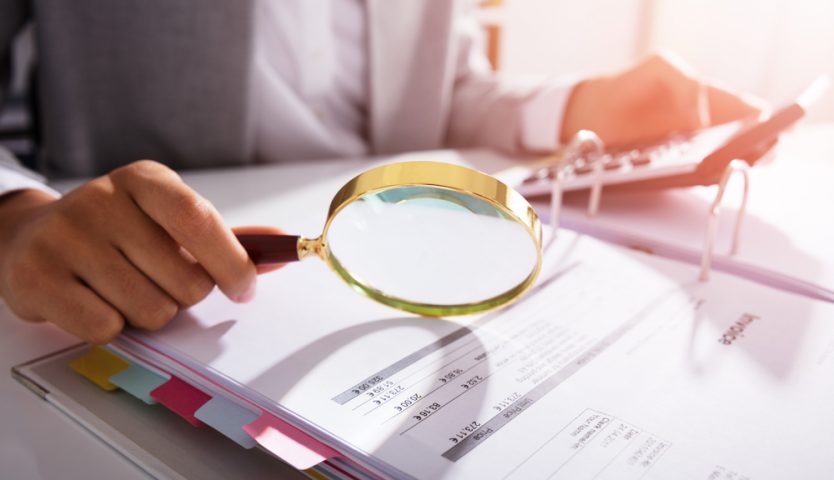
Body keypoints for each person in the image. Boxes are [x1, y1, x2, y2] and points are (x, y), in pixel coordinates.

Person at [0, 1, 763, 344]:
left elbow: (451, 86)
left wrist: (580, 104)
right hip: (136, 270)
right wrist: (15, 213)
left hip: (410, 238)